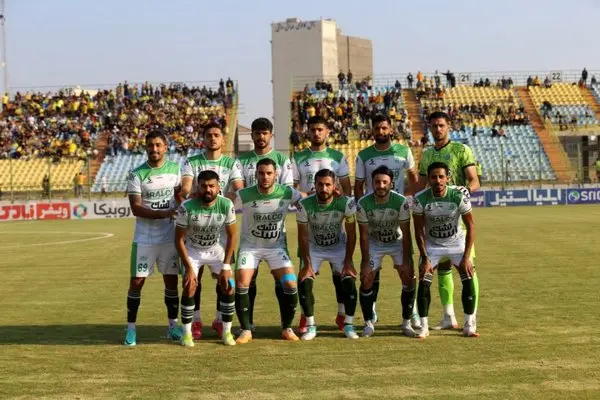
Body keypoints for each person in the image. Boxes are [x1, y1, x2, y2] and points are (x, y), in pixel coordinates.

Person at [416, 111, 480, 330]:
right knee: (442, 268)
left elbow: (474, 181)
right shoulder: (426, 155)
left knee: (467, 266)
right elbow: (421, 187)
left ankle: (471, 318)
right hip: (435, 219)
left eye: (441, 125)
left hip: (457, 218)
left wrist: (463, 191)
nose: (438, 129)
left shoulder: (461, 150)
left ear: (448, 126)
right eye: (434, 126)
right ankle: (448, 316)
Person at [179, 122, 243, 340]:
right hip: (197, 225)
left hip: (221, 228)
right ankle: (196, 320)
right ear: (203, 139)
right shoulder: (192, 162)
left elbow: (238, 188)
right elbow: (186, 186)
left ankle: (219, 319)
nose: (213, 138)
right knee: (193, 278)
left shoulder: (231, 163)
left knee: (224, 278)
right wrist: (189, 194)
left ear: (223, 139)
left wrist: (225, 202)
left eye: (217, 135)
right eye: (209, 135)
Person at [354, 114, 418, 324]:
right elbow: (358, 186)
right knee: (372, 269)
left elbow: (414, 179)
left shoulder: (404, 151)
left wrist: (406, 199)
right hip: (373, 216)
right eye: (377, 128)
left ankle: (412, 312)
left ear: (391, 129)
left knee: (406, 270)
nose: (380, 132)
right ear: (372, 131)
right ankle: (371, 308)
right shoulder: (364, 155)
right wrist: (362, 208)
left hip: (397, 215)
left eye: (384, 128)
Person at [292, 115, 352, 332]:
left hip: (333, 224)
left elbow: (347, 189)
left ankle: (342, 314)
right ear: (307, 132)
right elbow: (292, 190)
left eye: (320, 129)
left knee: (340, 276)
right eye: (313, 129)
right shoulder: (298, 157)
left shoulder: (337, 157)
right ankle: (305, 317)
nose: (316, 133)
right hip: (309, 225)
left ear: (327, 131)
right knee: (305, 274)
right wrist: (311, 195)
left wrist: (338, 198)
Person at [233, 158, 303, 344]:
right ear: (255, 175)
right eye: (261, 173)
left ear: (276, 175)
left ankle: (287, 328)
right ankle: (246, 329)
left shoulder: (287, 192)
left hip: (276, 248)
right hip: (250, 248)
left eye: (269, 173)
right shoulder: (244, 194)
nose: (265, 177)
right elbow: (225, 205)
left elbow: (305, 200)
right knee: (242, 282)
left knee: (290, 283)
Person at [124, 130, 182, 347]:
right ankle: (131, 329)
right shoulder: (136, 174)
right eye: (150, 145)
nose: (154, 149)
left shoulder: (175, 170)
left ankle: (172, 326)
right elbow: (136, 208)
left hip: (169, 237)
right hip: (145, 239)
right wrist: (164, 213)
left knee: (171, 282)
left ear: (166, 147)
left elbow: (180, 198)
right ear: (146, 148)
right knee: (137, 282)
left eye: (158, 145)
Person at [235, 118, 294, 333]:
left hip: (276, 233)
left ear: (271, 135)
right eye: (257, 133)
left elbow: (288, 191)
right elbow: (239, 189)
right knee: (248, 278)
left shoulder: (282, 159)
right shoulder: (242, 161)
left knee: (282, 279)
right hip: (251, 229)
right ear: (252, 135)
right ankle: (248, 324)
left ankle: (285, 325)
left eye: (265, 133)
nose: (261, 137)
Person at [413, 162, 478, 338]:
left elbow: (471, 226)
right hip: (432, 246)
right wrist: (424, 257)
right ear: (429, 179)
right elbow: (418, 231)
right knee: (424, 281)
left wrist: (466, 257)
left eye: (441, 176)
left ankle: (469, 324)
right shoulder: (420, 199)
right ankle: (424, 327)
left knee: (468, 276)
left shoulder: (458, 196)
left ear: (447, 178)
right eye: (433, 177)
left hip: (456, 244)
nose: (438, 180)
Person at [175, 170, 237, 347]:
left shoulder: (226, 204)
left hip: (215, 249)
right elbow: (178, 239)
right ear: (198, 187)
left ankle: (226, 331)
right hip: (193, 250)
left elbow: (232, 236)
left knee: (228, 285)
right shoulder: (187, 207)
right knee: (190, 286)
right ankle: (186, 334)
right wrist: (188, 268)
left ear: (218, 187)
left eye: (211, 186)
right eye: (203, 186)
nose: (208, 189)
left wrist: (226, 266)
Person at [296, 169, 358, 340]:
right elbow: (302, 236)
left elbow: (352, 234)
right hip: (314, 248)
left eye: (328, 185)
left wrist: (348, 261)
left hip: (338, 247)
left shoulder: (346, 203)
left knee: (348, 281)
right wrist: (307, 264)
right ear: (314, 186)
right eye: (320, 184)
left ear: (334, 185)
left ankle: (348, 323)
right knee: (304, 281)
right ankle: (310, 325)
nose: (324, 188)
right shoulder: (304, 205)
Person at [356, 166, 415, 338]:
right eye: (377, 182)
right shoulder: (363, 203)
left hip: (397, 241)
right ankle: (368, 322)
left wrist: (406, 261)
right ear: (372, 183)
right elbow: (364, 236)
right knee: (366, 278)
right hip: (375, 243)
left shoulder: (401, 201)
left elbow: (407, 234)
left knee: (408, 277)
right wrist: (366, 263)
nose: (381, 186)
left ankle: (407, 322)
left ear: (391, 184)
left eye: (384, 182)